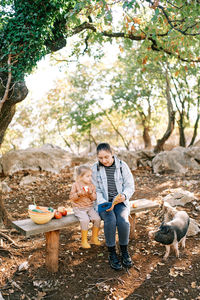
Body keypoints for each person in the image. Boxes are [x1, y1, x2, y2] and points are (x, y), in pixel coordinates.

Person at [92, 143, 135, 270]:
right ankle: (112, 252)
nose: (104, 161)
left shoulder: (122, 166)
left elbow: (130, 185)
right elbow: (96, 190)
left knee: (123, 221)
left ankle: (124, 250)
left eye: (106, 157)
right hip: (103, 202)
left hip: (119, 202)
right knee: (110, 220)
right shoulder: (95, 169)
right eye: (100, 158)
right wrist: (104, 203)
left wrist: (124, 195)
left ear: (112, 154)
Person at [69, 165, 101, 249]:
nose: (90, 178)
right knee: (85, 220)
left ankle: (94, 238)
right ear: (80, 177)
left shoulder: (91, 186)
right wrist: (78, 194)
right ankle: (84, 240)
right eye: (87, 176)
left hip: (89, 207)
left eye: (90, 176)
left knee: (97, 219)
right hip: (79, 208)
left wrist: (91, 194)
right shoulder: (75, 185)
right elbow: (72, 198)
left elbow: (94, 198)